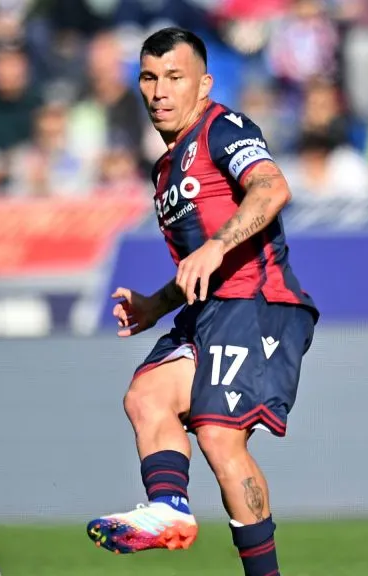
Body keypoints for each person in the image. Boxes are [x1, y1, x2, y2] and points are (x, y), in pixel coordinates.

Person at [86, 27, 320, 576]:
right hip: (207, 311)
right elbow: (197, 270)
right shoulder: (165, 168)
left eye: (175, 77)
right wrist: (154, 305)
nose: (160, 91)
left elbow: (270, 187)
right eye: (149, 78)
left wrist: (217, 246)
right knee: (146, 396)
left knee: (218, 435)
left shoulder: (224, 127)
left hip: (259, 300)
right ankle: (169, 509)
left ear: (204, 84)